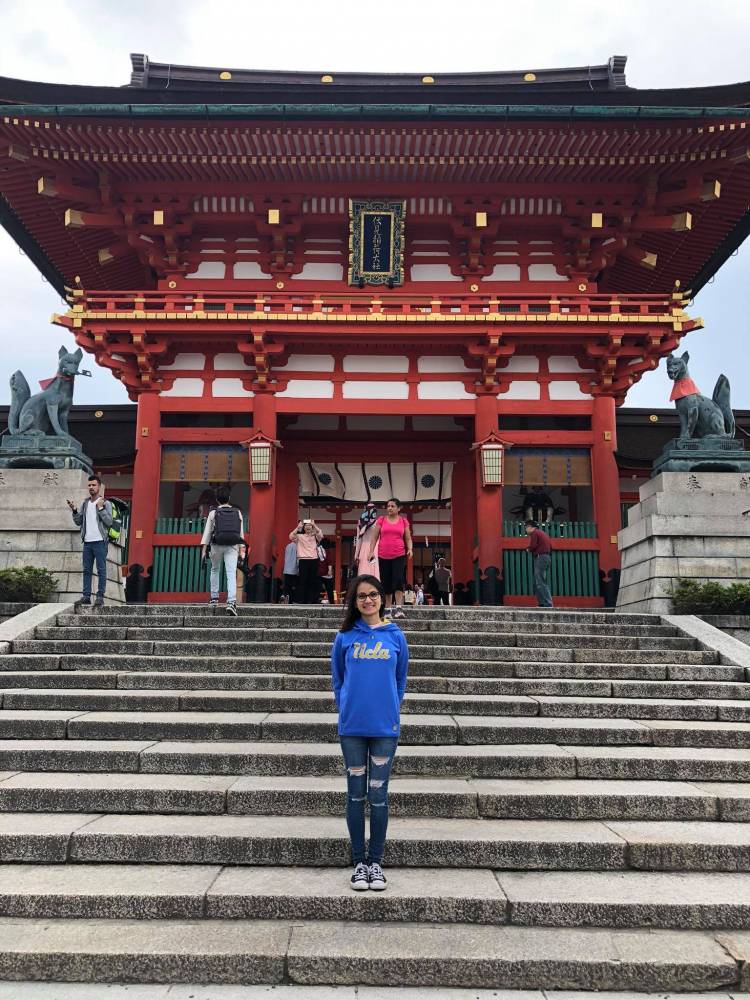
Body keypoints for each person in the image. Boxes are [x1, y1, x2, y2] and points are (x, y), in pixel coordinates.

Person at [331, 574, 409, 892]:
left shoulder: (395, 636)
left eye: (373, 594)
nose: (368, 600)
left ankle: (375, 862)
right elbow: (338, 679)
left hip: (384, 728)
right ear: (354, 601)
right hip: (352, 727)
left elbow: (401, 679)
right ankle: (358, 862)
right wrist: (346, 706)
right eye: (361, 596)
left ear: (382, 598)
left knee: (378, 796)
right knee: (355, 794)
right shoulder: (345, 637)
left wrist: (391, 707)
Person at [67, 474, 114, 608]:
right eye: (89, 485)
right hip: (87, 542)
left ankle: (100, 596)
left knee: (101, 570)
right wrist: (74, 510)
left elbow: (109, 522)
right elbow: (79, 522)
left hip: (100, 541)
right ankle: (86, 596)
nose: (91, 487)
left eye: (94, 485)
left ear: (99, 487)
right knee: (87, 570)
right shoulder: (85, 503)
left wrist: (101, 508)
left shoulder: (106, 503)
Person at [200, 488, 245, 616]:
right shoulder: (238, 512)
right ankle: (231, 602)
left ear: (217, 500)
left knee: (215, 569)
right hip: (232, 546)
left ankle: (214, 598)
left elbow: (207, 532)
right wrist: (242, 549)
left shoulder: (213, 513)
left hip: (216, 545)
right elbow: (240, 533)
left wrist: (203, 550)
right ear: (229, 498)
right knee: (231, 573)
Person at [367, 498, 412, 619]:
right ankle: (387, 609)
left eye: (392, 506)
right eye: (388, 506)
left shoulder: (403, 521)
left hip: (399, 554)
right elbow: (374, 538)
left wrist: (410, 548)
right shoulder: (381, 520)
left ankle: (399, 608)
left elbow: (408, 538)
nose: (390, 508)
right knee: (386, 582)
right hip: (383, 555)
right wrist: (371, 551)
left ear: (398, 508)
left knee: (398, 580)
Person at [290, 518, 324, 604]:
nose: (308, 527)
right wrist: (298, 527)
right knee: (302, 581)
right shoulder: (300, 536)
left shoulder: (315, 536)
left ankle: (311, 600)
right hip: (303, 560)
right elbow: (291, 536)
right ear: (304, 528)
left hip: (314, 560)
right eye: (306, 526)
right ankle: (301, 600)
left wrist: (314, 525)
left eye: (309, 525)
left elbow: (321, 535)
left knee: (312, 581)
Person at [525, 519, 553, 608]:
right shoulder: (543, 533)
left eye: (526, 527)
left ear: (530, 527)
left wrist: (528, 549)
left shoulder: (534, 533)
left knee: (540, 581)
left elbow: (533, 545)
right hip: (546, 557)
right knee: (539, 581)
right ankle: (542, 603)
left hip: (540, 557)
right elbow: (551, 546)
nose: (525, 529)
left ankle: (547, 603)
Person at [354, 501, 380, 579]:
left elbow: (380, 537)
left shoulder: (377, 522)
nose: (371, 511)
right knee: (363, 570)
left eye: (373, 509)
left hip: (375, 548)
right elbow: (359, 539)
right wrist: (356, 554)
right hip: (364, 548)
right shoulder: (361, 522)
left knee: (373, 571)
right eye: (369, 509)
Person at [281, 538, 299, 604]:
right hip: (294, 569)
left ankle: (284, 595)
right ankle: (292, 599)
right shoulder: (298, 547)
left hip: (287, 568)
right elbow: (298, 559)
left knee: (287, 584)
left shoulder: (288, 546)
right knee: (294, 585)